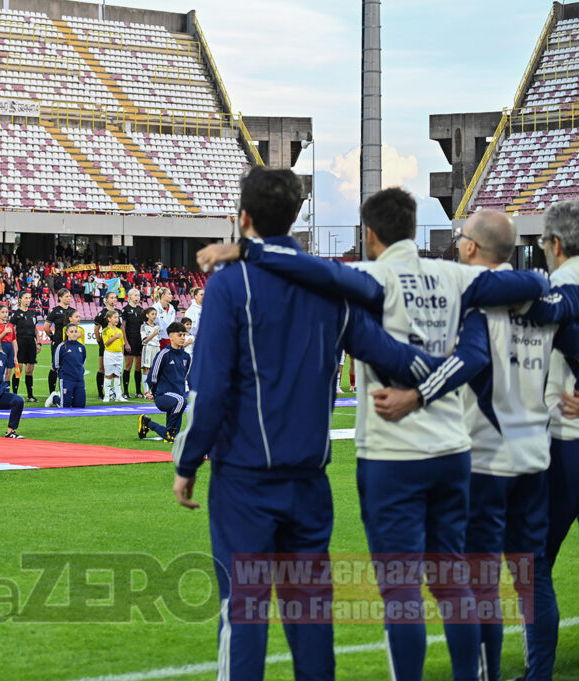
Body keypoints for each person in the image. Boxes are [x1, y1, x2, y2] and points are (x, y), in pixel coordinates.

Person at [198, 181, 550, 681]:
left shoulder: (370, 275)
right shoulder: (455, 276)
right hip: (453, 448)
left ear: (369, 234)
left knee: (401, 587)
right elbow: (527, 287)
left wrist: (248, 250)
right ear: (413, 227)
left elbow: (312, 270)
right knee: (456, 581)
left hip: (392, 451)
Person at [368, 209, 579, 681]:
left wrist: (414, 394)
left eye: (462, 237)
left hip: (486, 455)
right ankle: (539, 674)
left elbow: (471, 359)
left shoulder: (478, 299)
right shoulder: (543, 295)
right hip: (535, 454)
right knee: (533, 575)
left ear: (469, 248)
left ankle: (484, 674)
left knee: (479, 580)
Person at [540, 200, 579, 586]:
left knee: (535, 559)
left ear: (555, 244)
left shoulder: (561, 286)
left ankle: (540, 650)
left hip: (566, 437)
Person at [138, 322, 190, 442]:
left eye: (184, 335)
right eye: (179, 335)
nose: (183, 338)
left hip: (178, 400)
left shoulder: (187, 357)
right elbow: (152, 376)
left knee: (171, 438)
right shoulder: (163, 354)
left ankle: (148, 423)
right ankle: (170, 430)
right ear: (171, 337)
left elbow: (184, 376)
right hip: (163, 396)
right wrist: (154, 393)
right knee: (182, 400)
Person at [9, 291, 39, 401]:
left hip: (31, 343)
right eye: (26, 298)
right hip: (20, 343)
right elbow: (13, 331)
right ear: (20, 300)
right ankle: (15, 395)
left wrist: (38, 342)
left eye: (29, 298)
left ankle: (30, 396)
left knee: (29, 370)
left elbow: (35, 329)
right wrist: (14, 346)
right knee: (18, 369)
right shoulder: (15, 314)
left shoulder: (33, 313)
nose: (28, 300)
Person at [44, 288, 74, 398]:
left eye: (70, 296)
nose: (69, 298)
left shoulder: (72, 311)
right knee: (55, 366)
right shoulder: (55, 310)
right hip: (58, 342)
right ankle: (52, 392)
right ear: (60, 298)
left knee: (68, 366)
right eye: (66, 296)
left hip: (70, 343)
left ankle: (65, 391)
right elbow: (46, 327)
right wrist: (53, 337)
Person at [52, 323, 86, 408]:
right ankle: (54, 397)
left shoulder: (82, 347)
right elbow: (55, 364)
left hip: (79, 379)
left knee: (80, 406)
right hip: (66, 380)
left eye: (75, 331)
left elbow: (82, 362)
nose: (74, 333)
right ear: (67, 333)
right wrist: (63, 374)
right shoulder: (62, 347)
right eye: (71, 332)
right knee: (64, 406)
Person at [93, 292, 118, 399]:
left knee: (115, 369)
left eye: (115, 297)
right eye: (111, 298)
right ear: (106, 300)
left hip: (116, 345)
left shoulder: (118, 313)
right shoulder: (101, 313)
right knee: (102, 368)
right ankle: (100, 393)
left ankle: (113, 392)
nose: (114, 299)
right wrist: (100, 342)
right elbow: (96, 329)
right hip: (105, 345)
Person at [121, 288, 144, 400]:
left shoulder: (141, 310)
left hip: (139, 341)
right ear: (129, 297)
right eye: (135, 295)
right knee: (128, 366)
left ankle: (138, 391)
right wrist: (126, 343)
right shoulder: (125, 310)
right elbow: (123, 328)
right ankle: (125, 391)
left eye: (138, 295)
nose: (137, 297)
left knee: (138, 367)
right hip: (130, 341)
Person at [101, 309, 126, 402]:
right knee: (108, 375)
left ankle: (118, 396)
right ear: (109, 319)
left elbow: (122, 343)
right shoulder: (105, 330)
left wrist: (122, 354)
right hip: (109, 354)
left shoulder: (119, 330)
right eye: (115, 317)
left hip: (119, 355)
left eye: (118, 317)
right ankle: (106, 396)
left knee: (117, 375)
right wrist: (115, 337)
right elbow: (106, 343)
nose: (117, 319)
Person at [0, 304, 17, 383]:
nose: (5, 314)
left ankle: (6, 392)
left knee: (9, 372)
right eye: (3, 312)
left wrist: (15, 355)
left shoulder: (10, 325)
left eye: (6, 312)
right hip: (0, 348)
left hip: (10, 349)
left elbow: (14, 340)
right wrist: (4, 332)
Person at [140, 307, 160, 398]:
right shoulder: (144, 326)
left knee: (154, 370)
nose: (154, 316)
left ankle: (153, 390)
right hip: (148, 348)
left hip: (156, 348)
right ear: (147, 315)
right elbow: (144, 340)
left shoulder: (157, 326)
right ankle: (146, 391)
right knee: (146, 369)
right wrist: (153, 334)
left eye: (155, 314)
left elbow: (158, 339)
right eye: (152, 314)